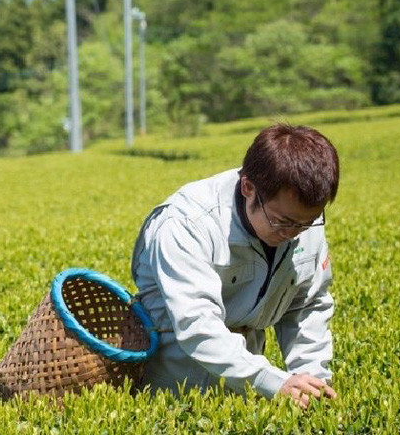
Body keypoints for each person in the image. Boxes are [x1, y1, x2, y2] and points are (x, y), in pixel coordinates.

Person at [130, 124, 339, 408]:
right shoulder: (187, 224)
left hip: (247, 392)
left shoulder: (300, 221)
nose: (294, 233)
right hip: (173, 387)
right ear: (248, 188)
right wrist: (274, 382)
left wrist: (311, 381)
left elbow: (307, 306)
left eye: (307, 222)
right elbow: (197, 325)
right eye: (282, 222)